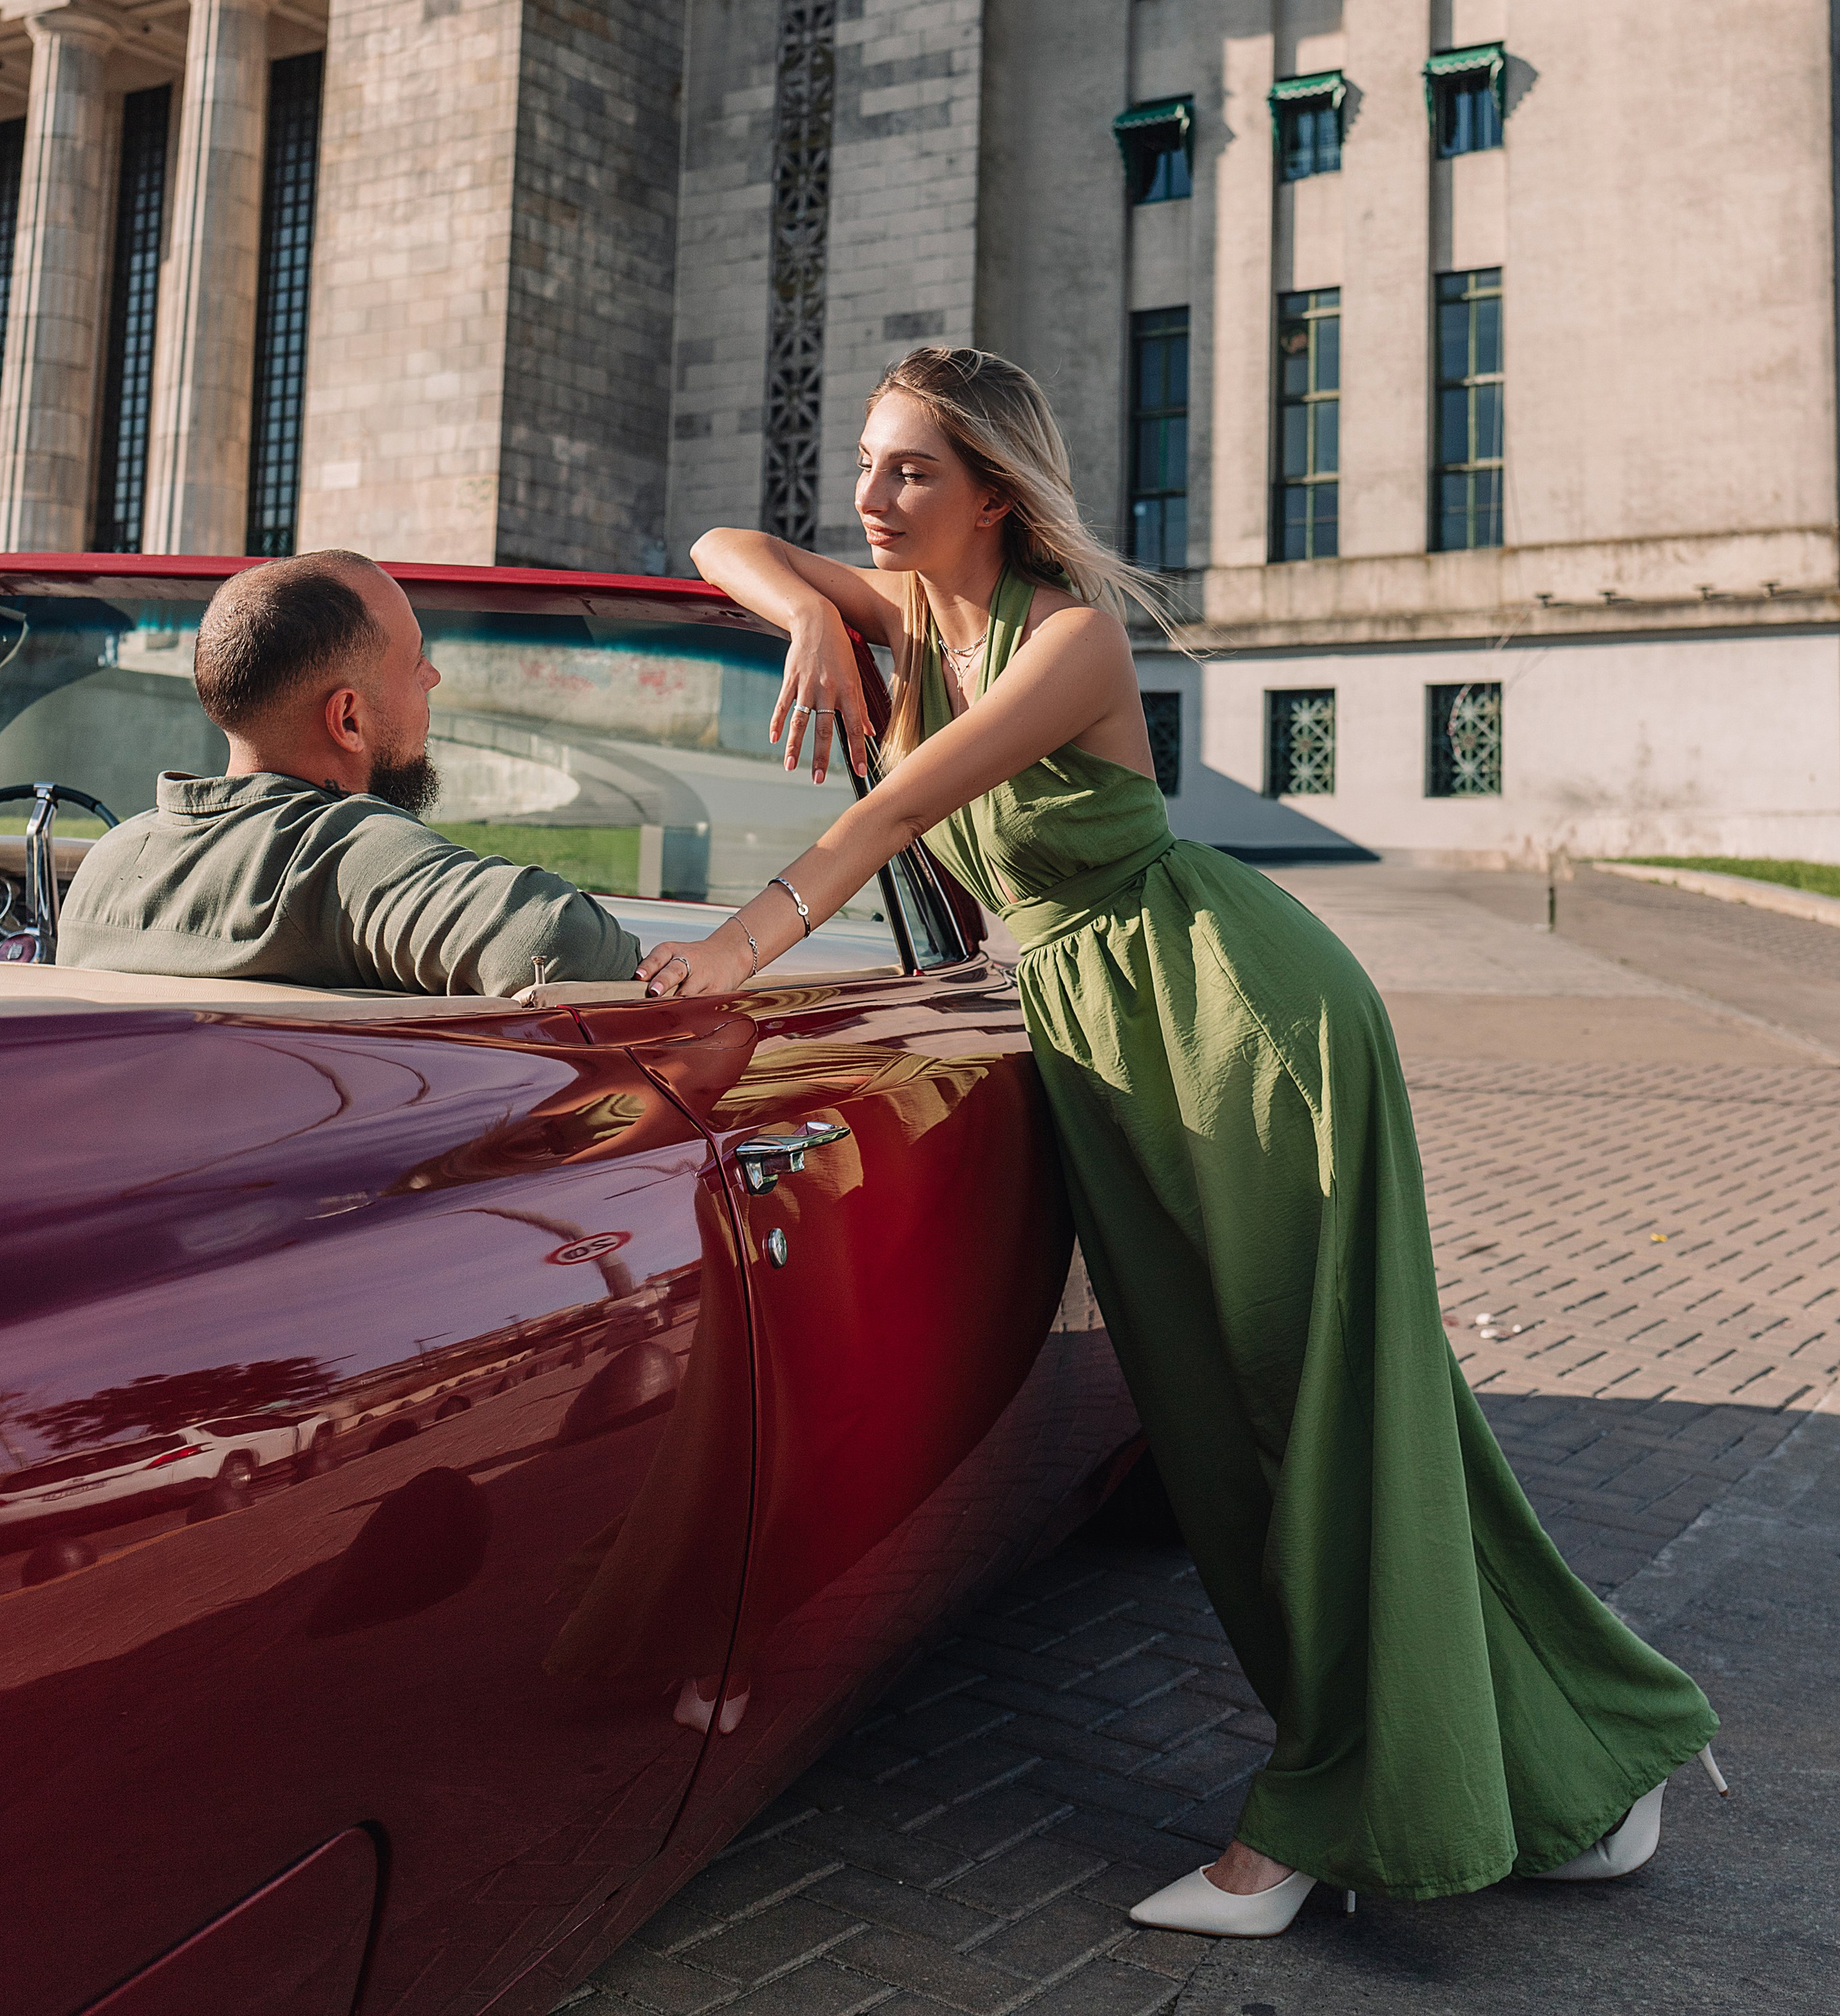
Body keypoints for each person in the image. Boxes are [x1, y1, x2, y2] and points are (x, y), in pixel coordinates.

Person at [640, 344, 1722, 1936]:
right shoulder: (904, 612)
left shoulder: (1064, 641)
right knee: (1215, 1428)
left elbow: (885, 820)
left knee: (1312, 1409)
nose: (868, 499)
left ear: (993, 491)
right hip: (1101, 1035)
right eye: (866, 467)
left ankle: (1314, 1814)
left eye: (909, 470)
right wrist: (806, 607)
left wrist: (733, 952)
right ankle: (1583, 1755)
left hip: (1236, 1020)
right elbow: (713, 549)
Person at [59, 550, 638, 995]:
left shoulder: (106, 864)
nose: (432, 678)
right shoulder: (340, 855)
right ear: (348, 719)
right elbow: (563, 942)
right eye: (415, 665)